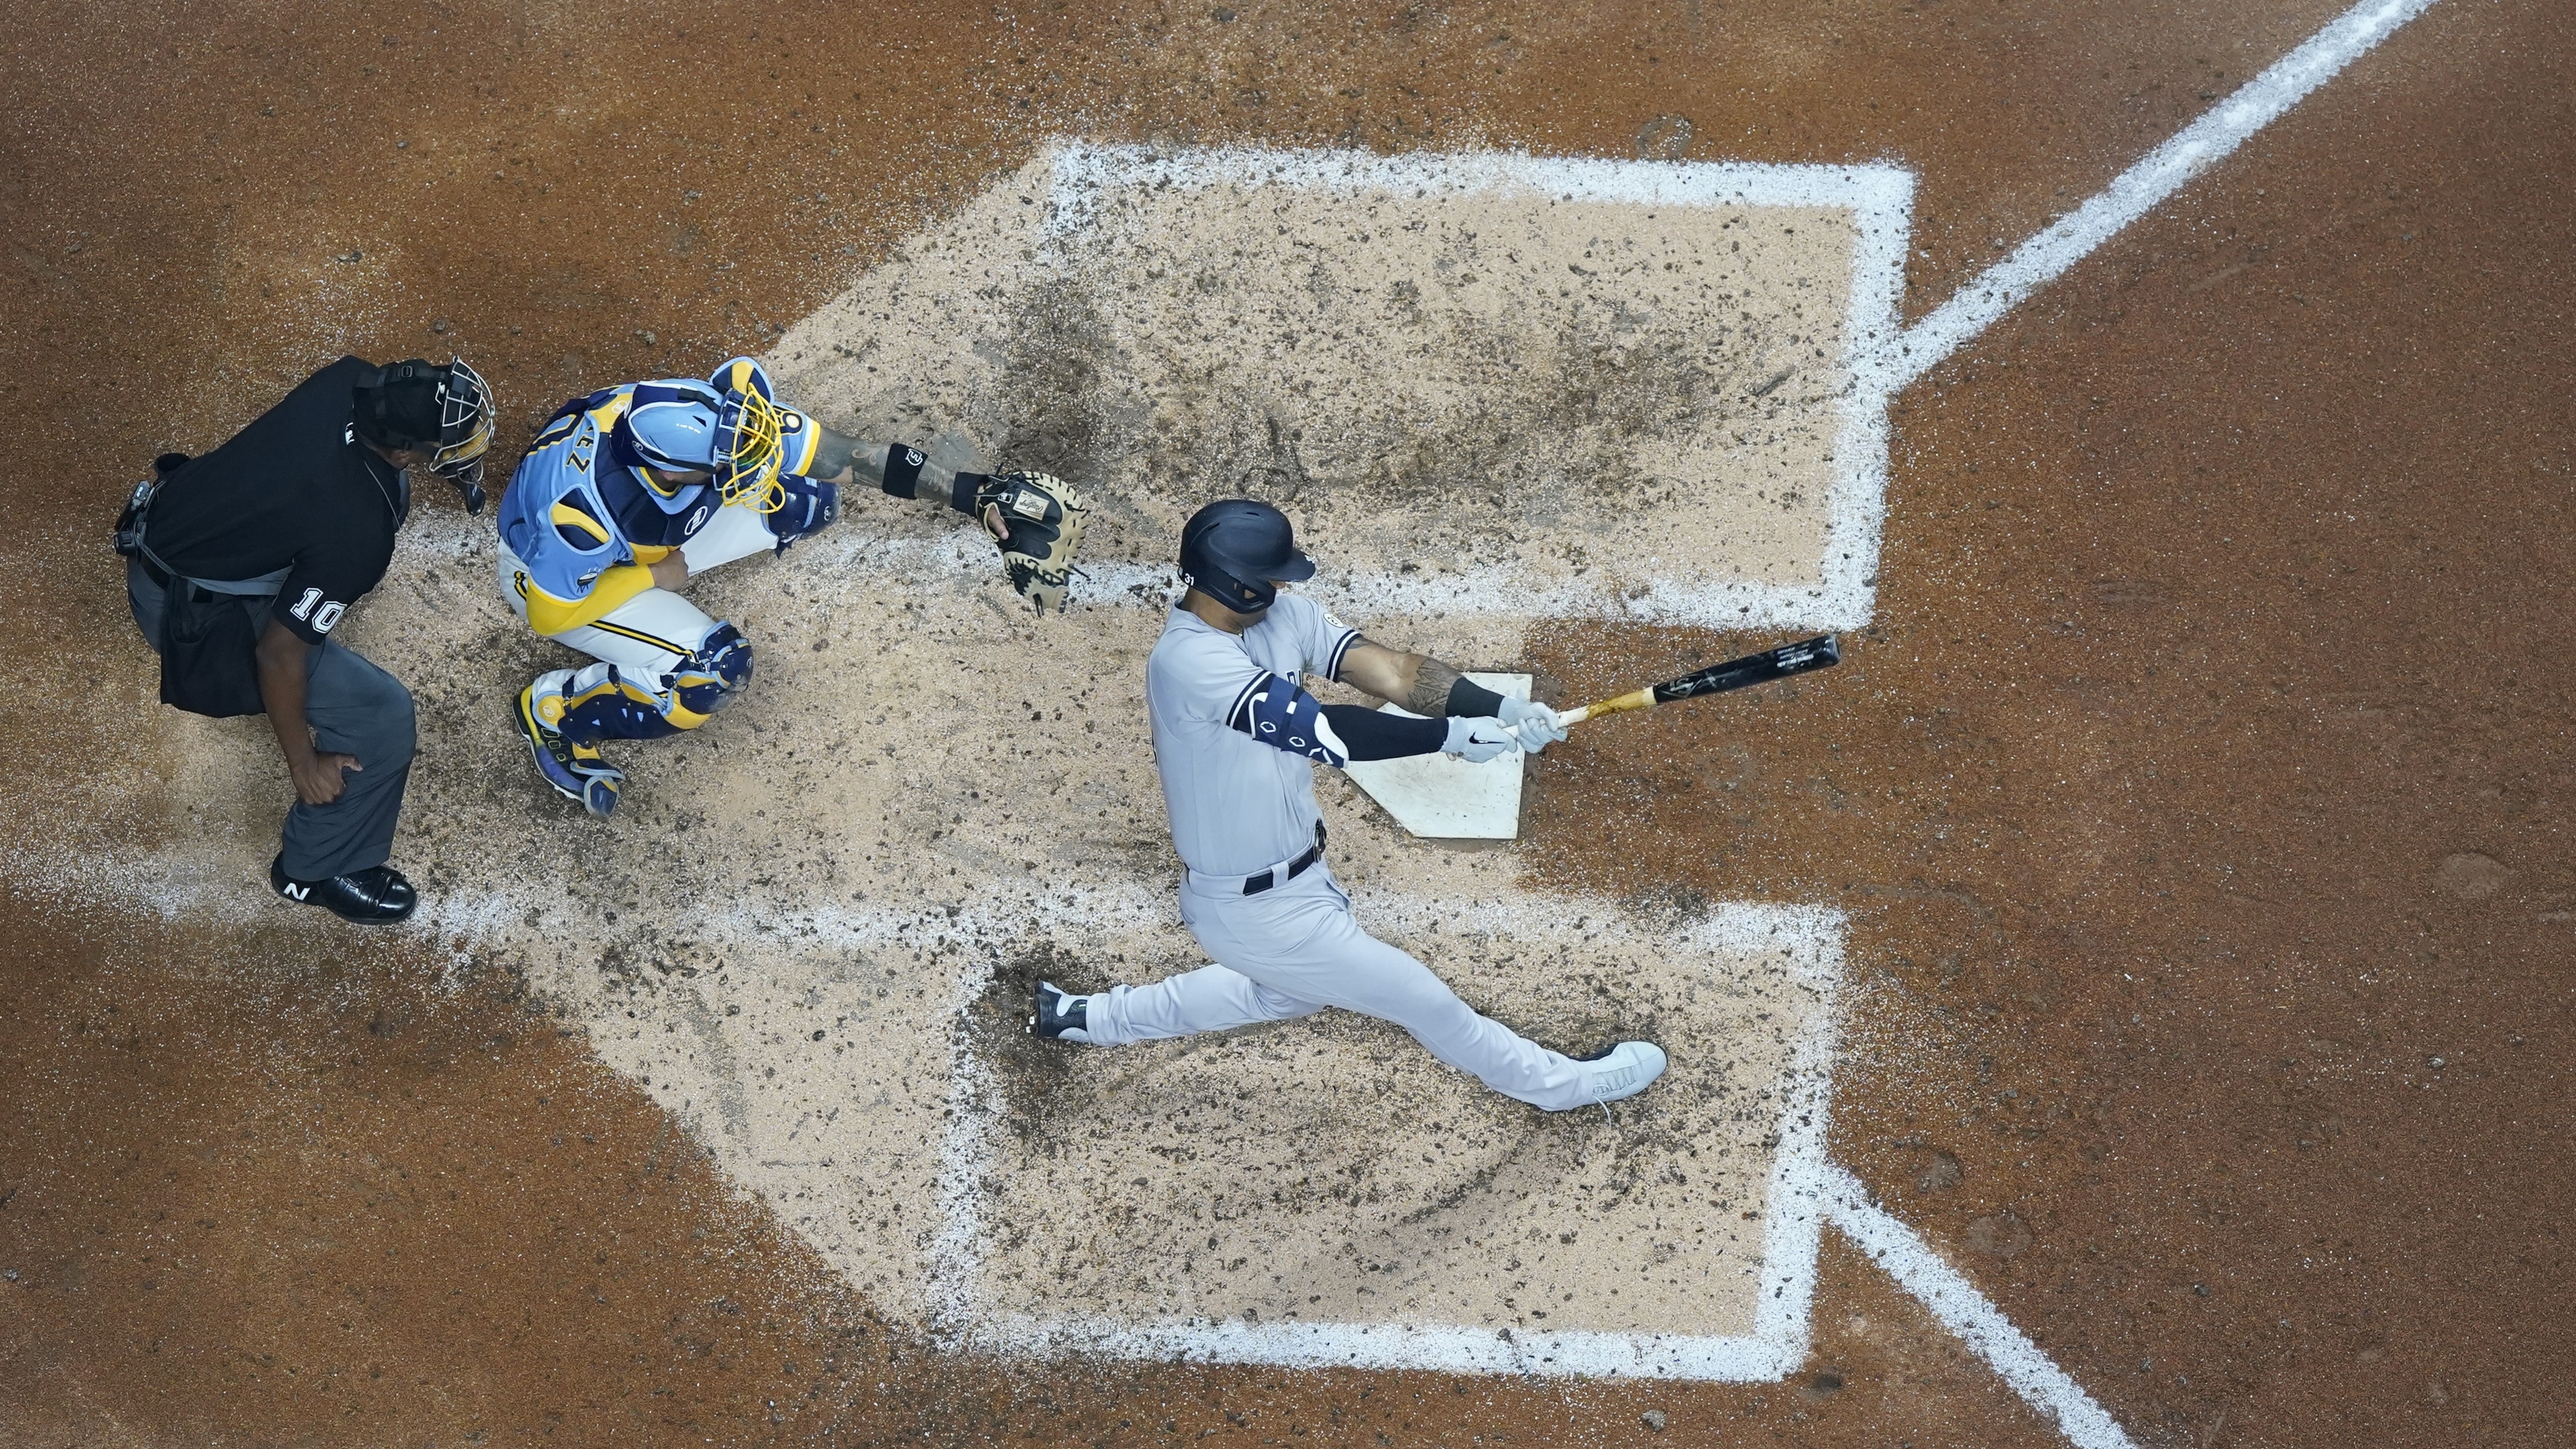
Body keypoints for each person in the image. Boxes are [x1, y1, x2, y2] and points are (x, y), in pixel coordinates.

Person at [1032, 499, 1668, 1113]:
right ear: (1239, 586)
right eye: (1273, 579)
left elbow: (1393, 673)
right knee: (1425, 1001)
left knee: (1281, 994)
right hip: (1252, 911)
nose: (1284, 587)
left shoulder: (1283, 618)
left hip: (1298, 882)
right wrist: (1448, 739)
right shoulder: (1188, 661)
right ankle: (1566, 1088)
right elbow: (1326, 733)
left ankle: (1086, 1018)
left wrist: (1497, 708)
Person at [497, 355, 1085, 815]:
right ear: (669, 472)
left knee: (807, 499)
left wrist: (971, 495)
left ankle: (664, 577)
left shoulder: (705, 418)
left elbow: (849, 457)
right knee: (716, 672)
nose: (755, 457)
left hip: (650, 536)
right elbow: (550, 615)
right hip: (557, 579)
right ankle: (556, 714)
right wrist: (655, 576)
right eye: (736, 460)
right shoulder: (581, 518)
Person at [115, 356, 497, 925]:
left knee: (383, 498)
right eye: (444, 442)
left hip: (176, 519)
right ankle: (314, 868)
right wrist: (303, 761)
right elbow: (278, 653)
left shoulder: (349, 379)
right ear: (399, 448)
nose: (465, 443)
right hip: (184, 613)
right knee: (383, 715)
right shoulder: (356, 532)